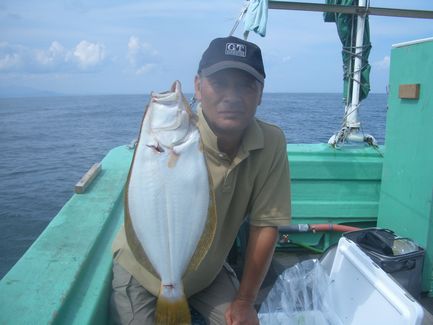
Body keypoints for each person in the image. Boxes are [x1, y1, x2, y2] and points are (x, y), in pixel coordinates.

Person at [110, 35, 291, 324]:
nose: (231, 96)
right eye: (219, 83)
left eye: (246, 85)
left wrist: (244, 302)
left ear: (260, 93)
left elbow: (266, 223)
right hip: (142, 270)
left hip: (208, 272)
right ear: (198, 86)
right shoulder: (180, 135)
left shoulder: (271, 142)